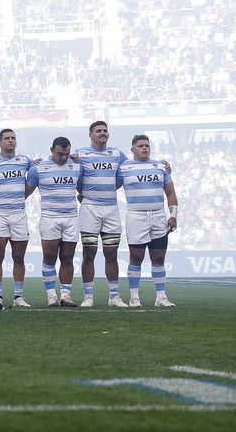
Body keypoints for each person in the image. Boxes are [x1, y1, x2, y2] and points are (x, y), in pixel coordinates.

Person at [117, 134, 178, 308]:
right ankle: (134, 297)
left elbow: (171, 193)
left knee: (158, 257)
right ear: (132, 149)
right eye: (140, 145)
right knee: (136, 257)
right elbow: (109, 183)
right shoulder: (123, 167)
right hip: (136, 216)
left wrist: (173, 215)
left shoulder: (160, 166)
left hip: (158, 216)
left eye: (147, 146)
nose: (144, 148)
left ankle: (161, 297)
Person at [75, 121, 129, 308]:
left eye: (105, 130)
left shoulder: (117, 154)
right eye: (98, 131)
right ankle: (88, 295)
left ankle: (114, 296)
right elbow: (75, 177)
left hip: (111, 208)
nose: (102, 133)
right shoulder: (81, 154)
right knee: (88, 253)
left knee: (111, 253)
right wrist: (85, 193)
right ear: (90, 135)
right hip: (89, 207)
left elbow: (125, 175)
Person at [25, 136, 82, 307]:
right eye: (59, 154)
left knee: (67, 257)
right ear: (52, 150)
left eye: (66, 154)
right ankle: (51, 296)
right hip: (49, 217)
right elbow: (26, 191)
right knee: (50, 257)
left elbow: (84, 186)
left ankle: (65, 295)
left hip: (71, 217)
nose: (63, 157)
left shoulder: (77, 166)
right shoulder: (39, 168)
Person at [0, 129, 32, 309]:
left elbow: (36, 175)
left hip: (19, 214)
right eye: (7, 138)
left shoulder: (24, 161)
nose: (10, 141)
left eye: (13, 138)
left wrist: (23, 195)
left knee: (19, 257)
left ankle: (18, 297)